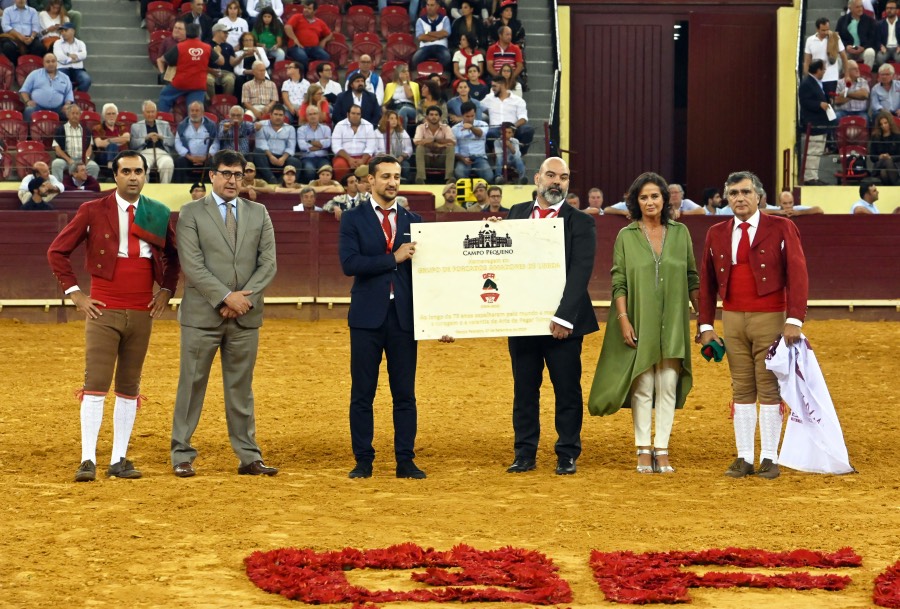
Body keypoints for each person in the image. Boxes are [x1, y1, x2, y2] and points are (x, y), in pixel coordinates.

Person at [47, 150, 180, 482]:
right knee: (96, 383)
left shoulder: (157, 212)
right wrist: (75, 294)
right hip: (103, 308)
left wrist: (166, 290)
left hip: (141, 310)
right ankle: (88, 459)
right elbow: (57, 251)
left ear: (145, 175)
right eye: (127, 171)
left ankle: (119, 458)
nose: (133, 176)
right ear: (115, 176)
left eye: (139, 171)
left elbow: (174, 257)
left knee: (129, 385)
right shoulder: (92, 210)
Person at [171, 149, 278, 478]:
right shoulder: (190, 213)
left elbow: (268, 263)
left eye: (238, 174)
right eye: (226, 173)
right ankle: (181, 453)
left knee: (241, 387)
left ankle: (248, 455)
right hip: (204, 315)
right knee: (191, 384)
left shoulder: (259, 212)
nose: (233, 180)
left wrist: (243, 299)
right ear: (212, 176)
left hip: (245, 314)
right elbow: (192, 264)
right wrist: (225, 297)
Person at [338, 154, 444, 479]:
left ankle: (405, 460)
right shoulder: (352, 219)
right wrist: (393, 258)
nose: (392, 182)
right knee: (363, 393)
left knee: (404, 393)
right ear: (370, 180)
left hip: (403, 318)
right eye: (385, 176)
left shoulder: (415, 221)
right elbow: (350, 264)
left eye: (396, 176)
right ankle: (363, 460)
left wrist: (488, 228)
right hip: (367, 317)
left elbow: (437, 267)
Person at [698, 171, 809, 480]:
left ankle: (770, 457)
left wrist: (794, 318)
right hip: (732, 317)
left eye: (745, 192)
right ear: (726, 199)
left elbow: (798, 274)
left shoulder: (782, 227)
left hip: (770, 317)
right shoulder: (717, 232)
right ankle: (745, 456)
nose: (739, 198)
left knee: (768, 384)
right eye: (733, 193)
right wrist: (706, 324)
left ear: (759, 196)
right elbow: (706, 283)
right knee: (742, 385)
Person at [588, 172, 699, 474]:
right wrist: (623, 320)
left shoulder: (680, 233)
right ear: (636, 201)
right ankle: (642, 449)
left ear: (665, 199)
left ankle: (661, 449)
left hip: (673, 320)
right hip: (638, 318)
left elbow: (692, 277)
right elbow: (619, 281)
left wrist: (704, 321)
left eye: (655, 196)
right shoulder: (627, 235)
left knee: (667, 385)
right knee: (643, 386)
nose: (650, 202)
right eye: (644, 197)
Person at [504, 157, 598, 475]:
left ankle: (567, 453)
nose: (557, 181)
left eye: (564, 177)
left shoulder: (581, 222)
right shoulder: (515, 214)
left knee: (567, 388)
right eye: (551, 175)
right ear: (537, 178)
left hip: (565, 324)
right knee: (524, 389)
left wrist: (564, 317)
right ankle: (525, 452)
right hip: (523, 320)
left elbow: (580, 272)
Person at [799, 59, 833, 186]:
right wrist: (819, 104)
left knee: (817, 151)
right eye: (823, 69)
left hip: (820, 123)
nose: (824, 71)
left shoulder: (816, 82)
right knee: (813, 150)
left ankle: (814, 176)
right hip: (812, 123)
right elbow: (805, 102)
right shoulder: (807, 83)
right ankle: (809, 177)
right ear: (818, 70)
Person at [130, 100, 176, 184]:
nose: (150, 114)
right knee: (142, 165)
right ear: (143, 113)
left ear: (156, 112)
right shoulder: (136, 126)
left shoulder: (165, 124)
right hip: (145, 152)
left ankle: (164, 189)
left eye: (152, 112)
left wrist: (161, 137)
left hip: (162, 152)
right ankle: (145, 191)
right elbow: (133, 144)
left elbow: (172, 141)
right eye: (148, 112)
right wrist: (146, 138)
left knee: (168, 164)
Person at [18, 52, 73, 121]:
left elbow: (69, 94)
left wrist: (67, 104)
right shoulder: (34, 74)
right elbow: (24, 90)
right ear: (43, 63)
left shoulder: (65, 77)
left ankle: (66, 131)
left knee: (72, 112)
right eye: (48, 62)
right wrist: (28, 101)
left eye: (53, 61)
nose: (51, 64)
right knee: (29, 110)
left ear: (57, 63)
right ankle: (28, 131)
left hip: (58, 108)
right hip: (38, 107)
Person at [174, 101, 220, 183]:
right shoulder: (182, 125)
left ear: (202, 112)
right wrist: (189, 157)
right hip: (188, 157)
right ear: (189, 112)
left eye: (197, 110)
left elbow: (215, 142)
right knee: (179, 162)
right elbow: (178, 143)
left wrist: (207, 156)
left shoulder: (211, 125)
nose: (194, 113)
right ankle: (181, 188)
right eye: (192, 110)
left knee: (214, 163)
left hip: (206, 157)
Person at [51, 104, 99, 182]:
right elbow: (57, 149)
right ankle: (59, 188)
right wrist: (69, 160)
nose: (75, 116)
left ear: (80, 115)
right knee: (56, 163)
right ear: (68, 115)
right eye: (73, 113)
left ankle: (89, 188)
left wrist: (86, 159)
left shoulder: (86, 130)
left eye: (77, 113)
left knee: (94, 166)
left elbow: (90, 147)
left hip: (82, 160)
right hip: (66, 160)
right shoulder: (60, 129)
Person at [253, 103, 300, 183]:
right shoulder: (261, 125)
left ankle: (282, 183)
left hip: (283, 157)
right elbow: (261, 143)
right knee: (257, 153)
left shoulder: (290, 128)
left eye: (280, 115)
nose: (278, 117)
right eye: (275, 114)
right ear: (270, 115)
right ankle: (272, 180)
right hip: (267, 156)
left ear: (284, 117)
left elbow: (291, 147)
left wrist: (283, 158)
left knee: (296, 162)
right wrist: (271, 156)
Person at [331, 104, 377, 182]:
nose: (355, 116)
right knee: (339, 166)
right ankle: (342, 189)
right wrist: (349, 159)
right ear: (348, 114)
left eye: (358, 114)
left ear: (361, 115)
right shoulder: (340, 125)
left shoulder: (368, 126)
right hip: (345, 157)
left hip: (364, 156)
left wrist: (362, 160)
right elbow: (336, 146)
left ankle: (370, 189)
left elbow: (370, 146)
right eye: (353, 113)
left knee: (374, 165)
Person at [802, 17, 847, 97]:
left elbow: (844, 57)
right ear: (817, 29)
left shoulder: (835, 38)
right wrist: (807, 77)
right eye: (823, 30)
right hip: (816, 78)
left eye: (827, 29)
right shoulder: (810, 40)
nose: (826, 32)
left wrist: (847, 75)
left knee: (829, 104)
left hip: (831, 77)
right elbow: (807, 61)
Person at [284, 0, 331, 70]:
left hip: (313, 48)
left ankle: (316, 75)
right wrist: (295, 39)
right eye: (305, 8)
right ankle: (304, 77)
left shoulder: (320, 22)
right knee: (302, 57)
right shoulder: (297, 17)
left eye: (309, 8)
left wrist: (324, 41)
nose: (305, 10)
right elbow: (287, 27)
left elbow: (330, 34)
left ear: (315, 11)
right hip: (297, 47)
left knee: (325, 56)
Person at [414, 105, 455, 184]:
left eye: (436, 115)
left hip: (441, 159)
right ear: (427, 117)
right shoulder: (420, 127)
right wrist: (437, 145)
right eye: (431, 115)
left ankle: (449, 178)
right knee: (419, 148)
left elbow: (452, 142)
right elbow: (417, 142)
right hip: (427, 159)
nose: (434, 117)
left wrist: (434, 140)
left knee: (451, 148)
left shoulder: (446, 127)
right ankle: (420, 178)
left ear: (440, 117)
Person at [451, 100, 491, 182]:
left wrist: (471, 127)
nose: (470, 119)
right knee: (459, 173)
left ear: (475, 114)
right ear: (462, 115)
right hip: (463, 158)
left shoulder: (483, 124)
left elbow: (481, 134)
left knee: (489, 176)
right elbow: (455, 148)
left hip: (480, 157)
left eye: (472, 116)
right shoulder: (454, 129)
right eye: (467, 116)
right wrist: (462, 158)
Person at [412, 0, 452, 71]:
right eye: (428, 5)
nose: (429, 7)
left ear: (437, 6)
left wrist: (427, 33)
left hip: (441, 47)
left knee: (447, 57)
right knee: (416, 58)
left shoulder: (445, 19)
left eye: (432, 5)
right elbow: (420, 37)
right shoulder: (420, 20)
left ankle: (441, 75)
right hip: (425, 47)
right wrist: (439, 35)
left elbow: (446, 33)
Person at [295, 104, 331, 182]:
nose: (313, 116)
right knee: (309, 171)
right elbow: (302, 146)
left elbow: (327, 143)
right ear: (307, 117)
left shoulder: (326, 128)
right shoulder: (301, 130)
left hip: (323, 158)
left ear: (318, 115)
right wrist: (321, 145)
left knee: (326, 171)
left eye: (315, 113)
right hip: (307, 158)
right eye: (310, 114)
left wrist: (310, 142)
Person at [836, 0, 877, 69]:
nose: (860, 9)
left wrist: (864, 47)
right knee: (837, 56)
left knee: (870, 52)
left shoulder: (869, 20)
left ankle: (866, 75)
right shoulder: (842, 20)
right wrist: (846, 46)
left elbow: (872, 38)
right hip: (848, 49)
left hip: (863, 49)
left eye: (861, 6)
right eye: (857, 7)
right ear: (850, 8)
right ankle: (842, 76)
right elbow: (837, 37)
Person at [92, 103, 131, 173]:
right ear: (104, 116)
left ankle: (111, 168)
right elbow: (99, 143)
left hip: (122, 154)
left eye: (113, 113)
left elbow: (127, 138)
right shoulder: (97, 128)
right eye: (108, 114)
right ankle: (111, 166)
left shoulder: (122, 126)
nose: (111, 116)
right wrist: (119, 140)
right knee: (112, 146)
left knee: (112, 145)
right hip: (104, 156)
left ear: (117, 115)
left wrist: (109, 140)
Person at [52, 22, 90, 92]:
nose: (63, 33)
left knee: (86, 80)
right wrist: (73, 57)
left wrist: (67, 55)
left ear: (73, 31)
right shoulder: (57, 43)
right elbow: (60, 57)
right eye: (62, 31)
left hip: (78, 69)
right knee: (62, 82)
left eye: (65, 30)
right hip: (62, 68)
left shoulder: (80, 43)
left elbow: (83, 55)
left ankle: (77, 95)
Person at [377, 110, 412, 182]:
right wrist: (384, 156)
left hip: (399, 159)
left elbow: (409, 148)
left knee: (406, 166)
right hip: (382, 159)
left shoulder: (402, 132)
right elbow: (375, 149)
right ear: (386, 119)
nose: (394, 120)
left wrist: (401, 157)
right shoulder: (378, 132)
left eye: (396, 118)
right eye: (391, 118)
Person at [382, 64, 420, 129]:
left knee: (404, 110)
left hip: (411, 109)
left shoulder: (414, 85)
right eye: (403, 72)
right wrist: (385, 110)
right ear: (398, 74)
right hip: (396, 108)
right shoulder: (389, 86)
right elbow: (385, 102)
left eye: (407, 71)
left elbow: (409, 96)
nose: (406, 73)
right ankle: (397, 136)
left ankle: (402, 135)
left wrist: (404, 82)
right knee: (395, 115)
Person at [869, 109, 900, 185]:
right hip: (880, 164)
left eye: (885, 123)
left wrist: (891, 158)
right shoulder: (875, 137)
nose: (883, 126)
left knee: (884, 172)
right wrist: (880, 157)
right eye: (881, 124)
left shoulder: (897, 136)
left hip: (896, 166)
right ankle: (897, 186)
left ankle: (872, 175)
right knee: (884, 164)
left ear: (890, 123)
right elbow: (872, 157)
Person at [208, 22, 237, 100]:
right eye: (224, 32)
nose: (227, 34)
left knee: (229, 80)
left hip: (226, 72)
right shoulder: (207, 45)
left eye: (227, 32)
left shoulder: (229, 46)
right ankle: (212, 102)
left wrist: (242, 56)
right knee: (208, 80)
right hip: (211, 72)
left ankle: (226, 102)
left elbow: (232, 62)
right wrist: (210, 70)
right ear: (217, 32)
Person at [877, 0, 900, 65]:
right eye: (887, 8)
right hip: (885, 48)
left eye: (891, 8)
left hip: (897, 48)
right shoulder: (880, 24)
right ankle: (884, 74)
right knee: (879, 57)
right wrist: (880, 46)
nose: (889, 10)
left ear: (897, 10)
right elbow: (876, 39)